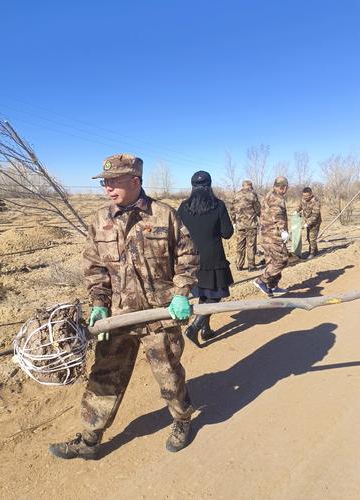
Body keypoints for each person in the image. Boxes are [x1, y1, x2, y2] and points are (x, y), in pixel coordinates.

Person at [49, 154, 199, 460]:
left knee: (169, 374)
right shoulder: (99, 222)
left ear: (135, 181)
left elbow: (188, 255)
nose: (108, 187)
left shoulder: (164, 215)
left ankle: (183, 420)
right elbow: (95, 268)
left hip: (159, 315)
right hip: (117, 317)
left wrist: (182, 292)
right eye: (105, 182)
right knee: (104, 377)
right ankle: (90, 440)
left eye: (115, 181)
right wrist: (98, 304)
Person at [177, 171, 234, 346]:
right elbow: (227, 233)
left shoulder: (183, 207)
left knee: (204, 293)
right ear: (209, 185)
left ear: (192, 186)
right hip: (213, 258)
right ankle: (195, 327)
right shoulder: (218, 205)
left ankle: (206, 330)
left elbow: (178, 233)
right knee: (215, 295)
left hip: (191, 258)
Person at [254, 176, 289, 297]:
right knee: (281, 260)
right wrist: (283, 230)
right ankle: (261, 280)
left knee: (271, 262)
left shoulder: (269, 194)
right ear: (283, 187)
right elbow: (277, 215)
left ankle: (272, 286)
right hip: (273, 236)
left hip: (265, 235)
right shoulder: (276, 198)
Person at [230, 180, 261, 271]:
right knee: (251, 245)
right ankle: (251, 266)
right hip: (251, 225)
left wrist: (234, 222)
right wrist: (261, 217)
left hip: (240, 225)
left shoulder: (236, 195)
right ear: (250, 186)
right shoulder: (252, 195)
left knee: (240, 246)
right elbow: (258, 209)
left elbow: (232, 210)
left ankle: (239, 265)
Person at [295, 187, 322, 259]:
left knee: (312, 238)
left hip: (315, 222)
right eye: (304, 196)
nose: (305, 198)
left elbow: (315, 215)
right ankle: (315, 250)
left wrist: (307, 224)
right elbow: (300, 206)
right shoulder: (303, 199)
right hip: (307, 221)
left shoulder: (316, 201)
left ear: (311, 194)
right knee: (308, 237)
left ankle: (312, 253)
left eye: (307, 196)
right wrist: (296, 211)